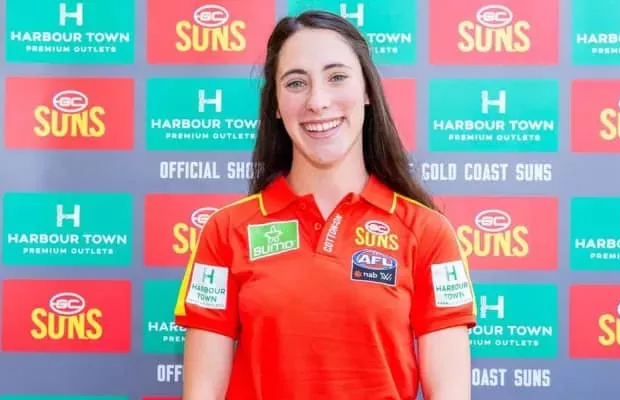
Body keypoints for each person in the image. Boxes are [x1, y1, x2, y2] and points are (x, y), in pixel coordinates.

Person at [173, 9, 477, 400]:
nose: (317, 101)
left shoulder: (428, 232)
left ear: (367, 90)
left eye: (336, 77)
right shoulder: (225, 231)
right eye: (296, 83)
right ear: (276, 104)